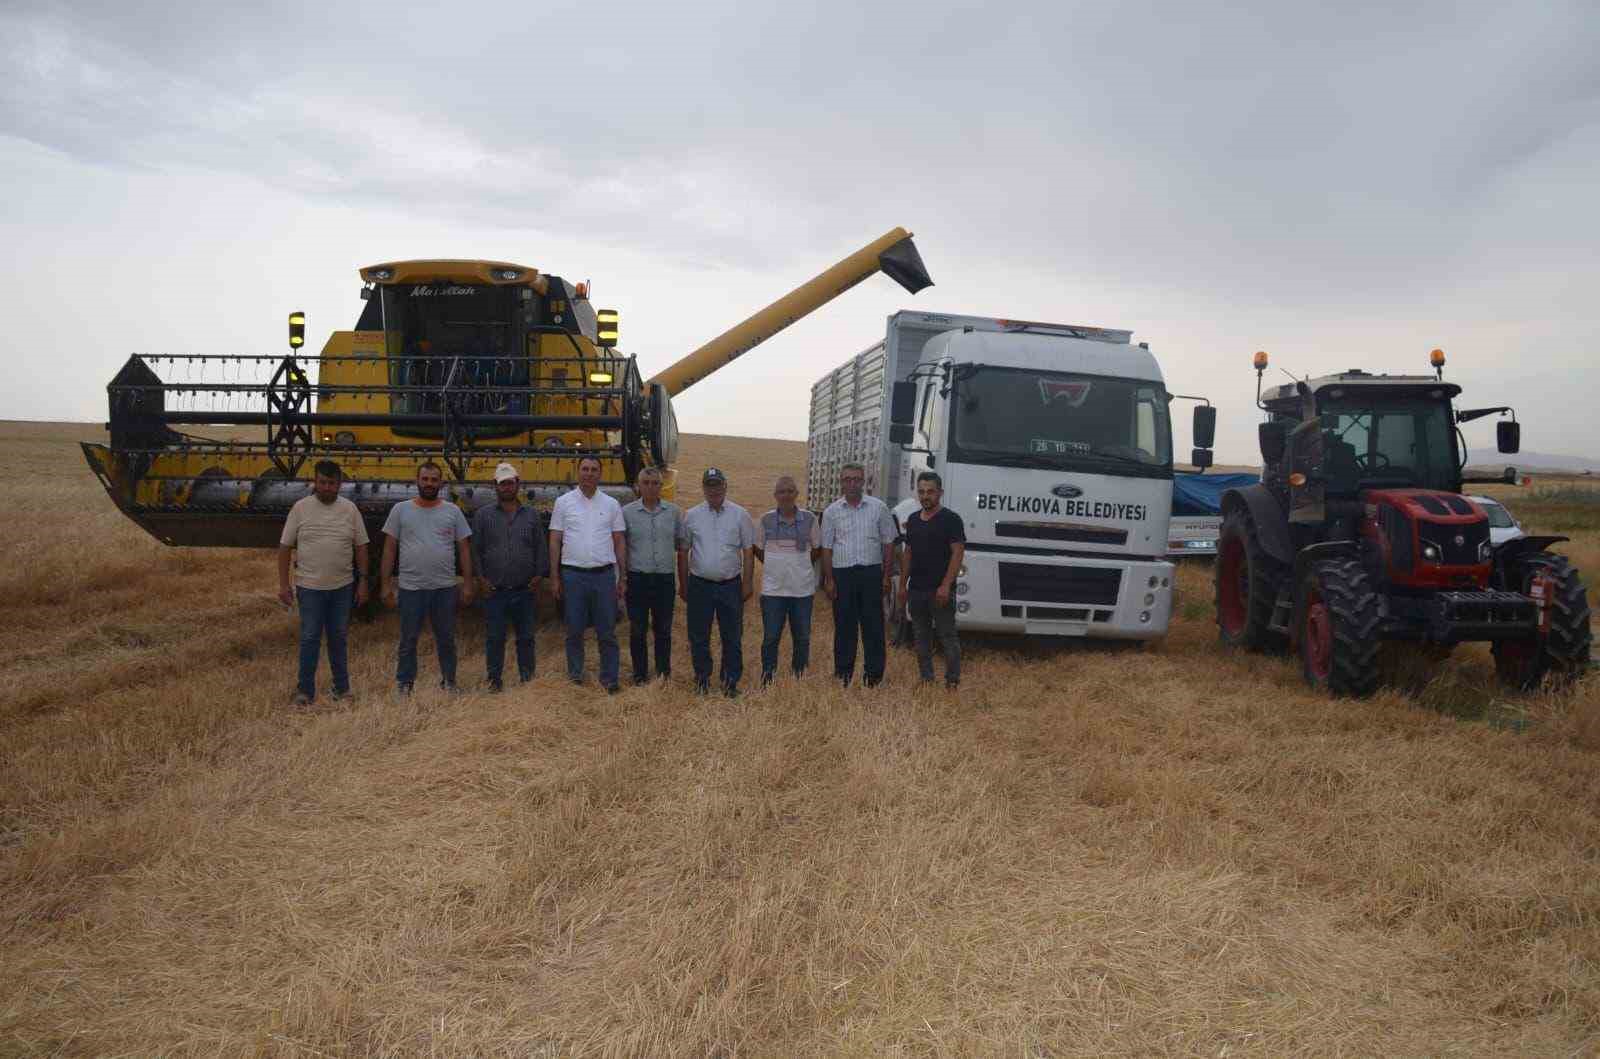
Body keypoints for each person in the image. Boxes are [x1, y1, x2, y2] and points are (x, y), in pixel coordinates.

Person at [277, 459, 370, 706]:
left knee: (338, 638)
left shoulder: (350, 509)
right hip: (310, 588)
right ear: (315, 482)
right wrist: (284, 585)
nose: (327, 488)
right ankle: (304, 691)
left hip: (342, 587)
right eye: (322, 483)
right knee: (309, 638)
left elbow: (361, 547)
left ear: (340, 484)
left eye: (331, 483)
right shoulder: (300, 508)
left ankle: (342, 689)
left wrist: (363, 582)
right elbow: (285, 547)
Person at [381, 462, 474, 693]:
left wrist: (468, 584)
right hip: (411, 588)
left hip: (444, 588)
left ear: (441, 483)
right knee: (408, 640)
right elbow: (389, 549)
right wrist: (385, 585)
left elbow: (464, 549)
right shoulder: (400, 510)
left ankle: (449, 681)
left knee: (446, 639)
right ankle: (405, 683)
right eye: (425, 479)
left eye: (434, 480)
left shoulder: (452, 511)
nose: (429, 484)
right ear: (417, 480)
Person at [549, 454, 626, 693]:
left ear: (600, 474)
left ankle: (610, 679)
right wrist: (554, 577)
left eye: (594, 469)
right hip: (573, 576)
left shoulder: (611, 504)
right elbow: (555, 540)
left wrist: (622, 576)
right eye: (585, 469)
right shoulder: (563, 503)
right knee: (574, 630)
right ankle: (575, 677)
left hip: (604, 576)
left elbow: (619, 541)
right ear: (578, 471)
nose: (589, 473)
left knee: (607, 631)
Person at [820, 462, 898, 686]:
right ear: (841, 482)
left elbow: (888, 542)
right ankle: (843, 675)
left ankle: (873, 678)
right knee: (844, 627)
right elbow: (827, 547)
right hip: (842, 575)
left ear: (864, 482)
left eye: (856, 479)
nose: (852, 483)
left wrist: (885, 576)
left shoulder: (878, 508)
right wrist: (829, 579)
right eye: (847, 479)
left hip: (871, 574)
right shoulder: (831, 512)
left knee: (873, 626)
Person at [678, 468, 755, 695]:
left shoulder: (740, 515)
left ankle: (730, 682)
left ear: (725, 486)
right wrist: (683, 585)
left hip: (730, 585)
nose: (714, 489)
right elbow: (683, 552)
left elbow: (748, 552)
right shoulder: (691, 516)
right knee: (699, 635)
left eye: (717, 484)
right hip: (699, 585)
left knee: (732, 636)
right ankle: (701, 679)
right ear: (703, 488)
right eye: (709, 485)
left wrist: (748, 584)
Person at [472, 462, 545, 692]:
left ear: (517, 485)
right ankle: (494, 681)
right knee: (495, 639)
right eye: (502, 484)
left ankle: (527, 680)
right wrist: (480, 579)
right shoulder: (483, 516)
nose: (506, 487)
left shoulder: (532, 515)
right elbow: (476, 550)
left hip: (525, 590)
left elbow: (540, 548)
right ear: (495, 486)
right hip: (495, 591)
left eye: (510, 483)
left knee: (526, 639)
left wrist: (539, 576)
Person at [896, 471, 966, 688]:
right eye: (922, 492)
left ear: (940, 493)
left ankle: (952, 682)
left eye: (930, 492)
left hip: (940, 592)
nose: (926, 496)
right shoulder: (914, 520)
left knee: (947, 637)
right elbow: (908, 554)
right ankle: (926, 680)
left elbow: (957, 553)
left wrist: (946, 585)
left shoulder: (951, 520)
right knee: (920, 638)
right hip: (916, 590)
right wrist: (902, 585)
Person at [754, 475, 821, 684]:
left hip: (802, 591)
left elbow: (817, 549)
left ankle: (799, 676)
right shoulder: (765, 520)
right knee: (771, 637)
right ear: (775, 495)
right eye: (781, 492)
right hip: (773, 591)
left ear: (796, 494)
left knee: (802, 638)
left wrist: (798, 565)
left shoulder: (810, 519)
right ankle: (768, 677)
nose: (786, 495)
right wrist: (777, 565)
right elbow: (757, 549)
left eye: (790, 491)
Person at [621, 466, 683, 685]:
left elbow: (680, 544)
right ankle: (639, 674)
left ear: (661, 485)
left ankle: (663, 673)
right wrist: (622, 579)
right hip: (637, 579)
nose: (650, 487)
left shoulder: (674, 512)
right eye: (646, 483)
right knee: (637, 629)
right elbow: (622, 547)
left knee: (663, 629)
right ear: (638, 486)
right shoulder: (627, 513)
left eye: (655, 483)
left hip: (664, 579)